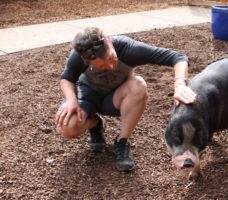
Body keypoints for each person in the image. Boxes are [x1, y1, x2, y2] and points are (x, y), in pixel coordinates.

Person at [55, 27, 196, 172]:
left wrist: (179, 84)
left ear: (109, 41)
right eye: (101, 65)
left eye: (110, 58)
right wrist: (71, 99)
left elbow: (178, 57)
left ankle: (122, 141)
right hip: (87, 96)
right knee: (67, 128)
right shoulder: (79, 56)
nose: (110, 66)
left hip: (117, 98)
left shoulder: (128, 49)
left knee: (139, 85)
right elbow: (66, 78)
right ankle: (95, 123)